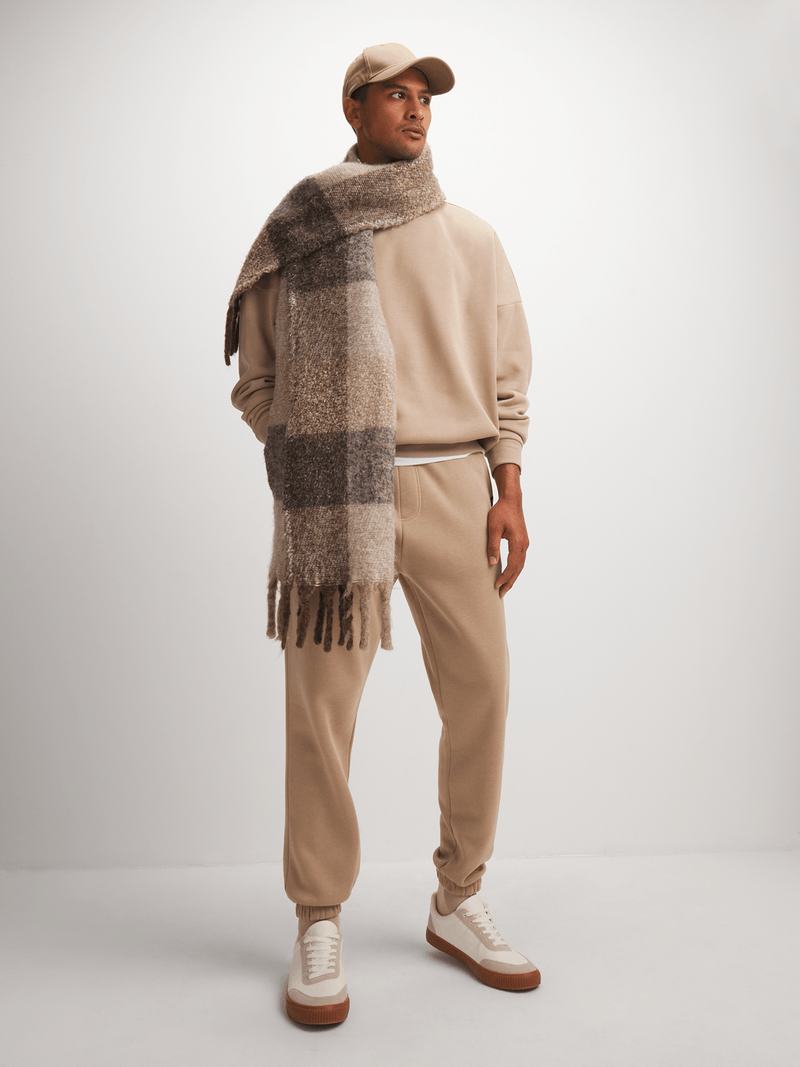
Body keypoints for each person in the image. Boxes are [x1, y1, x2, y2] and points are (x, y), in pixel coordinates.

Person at [225, 42, 539, 1026]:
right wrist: (301, 451)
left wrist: (507, 487)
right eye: (394, 95)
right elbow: (257, 377)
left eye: (424, 97)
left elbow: (508, 377)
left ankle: (458, 895)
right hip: (336, 501)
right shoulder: (304, 229)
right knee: (320, 711)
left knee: (482, 692)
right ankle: (318, 914)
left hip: (453, 486)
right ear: (353, 109)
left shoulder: (473, 238)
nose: (414, 109)